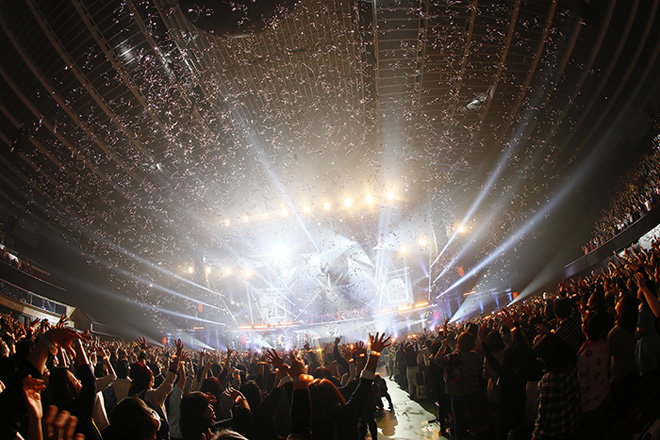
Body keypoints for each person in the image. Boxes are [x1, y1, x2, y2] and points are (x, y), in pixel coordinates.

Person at [434, 332, 483, 440]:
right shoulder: (476, 356)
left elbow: (436, 359)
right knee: (473, 419)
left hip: (457, 393)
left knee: (458, 422)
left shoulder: (453, 358)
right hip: (473, 391)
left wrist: (443, 346)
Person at [532, 333, 580, 440]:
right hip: (572, 422)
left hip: (555, 431)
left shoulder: (549, 381)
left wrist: (535, 435)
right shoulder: (571, 363)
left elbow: (543, 416)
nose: (539, 359)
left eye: (540, 357)